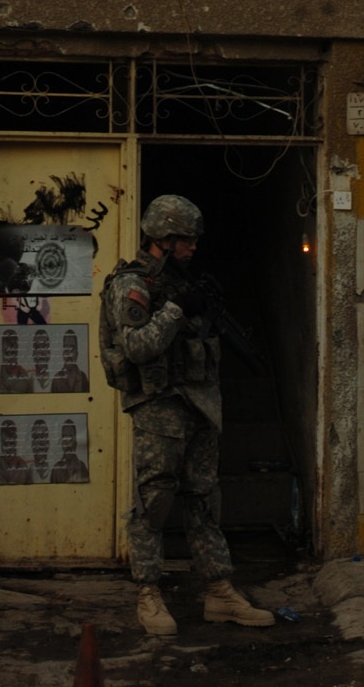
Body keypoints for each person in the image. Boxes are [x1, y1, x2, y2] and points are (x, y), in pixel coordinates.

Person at [100, 194, 274, 637]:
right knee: (153, 501)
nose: (193, 247)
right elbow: (137, 347)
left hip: (199, 407)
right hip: (159, 408)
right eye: (186, 240)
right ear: (163, 239)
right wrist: (179, 310)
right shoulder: (132, 285)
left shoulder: (181, 282)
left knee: (203, 500)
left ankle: (219, 591)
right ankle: (148, 593)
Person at [0, 419, 33, 485]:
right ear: (1, 444)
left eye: (11, 443)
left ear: (16, 443)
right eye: (5, 444)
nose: (8, 448)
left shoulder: (24, 469)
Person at [0, 329, 34, 394]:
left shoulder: (26, 379)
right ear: (2, 351)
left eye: (13, 352)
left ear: (17, 350)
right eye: (7, 353)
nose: (10, 357)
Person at [49, 418, 89, 483]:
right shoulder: (56, 470)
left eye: (70, 436)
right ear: (61, 443)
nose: (67, 441)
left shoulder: (82, 468)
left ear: (75, 441)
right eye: (64, 437)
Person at [51, 328, 90, 393]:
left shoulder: (83, 378)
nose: (69, 354)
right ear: (63, 354)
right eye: (66, 349)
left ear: (77, 354)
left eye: (72, 349)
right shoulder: (56, 379)